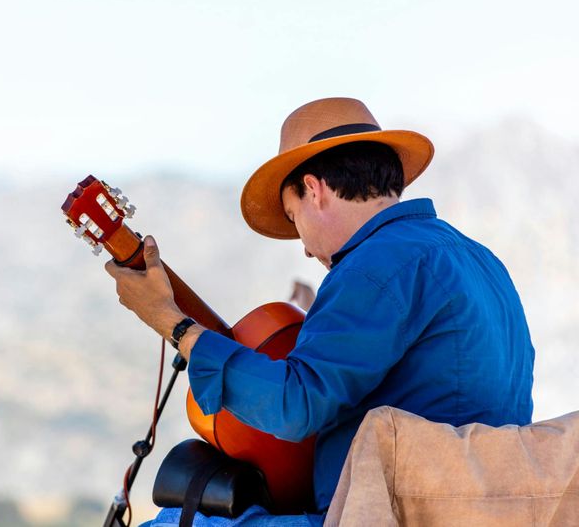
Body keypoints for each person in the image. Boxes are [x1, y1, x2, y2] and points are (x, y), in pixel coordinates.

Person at [104, 97, 535, 526]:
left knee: (173, 520)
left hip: (395, 516)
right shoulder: (478, 261)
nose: (307, 249)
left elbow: (295, 407)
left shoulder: (375, 265)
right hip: (473, 510)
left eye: (294, 219)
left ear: (315, 189)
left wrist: (171, 322)